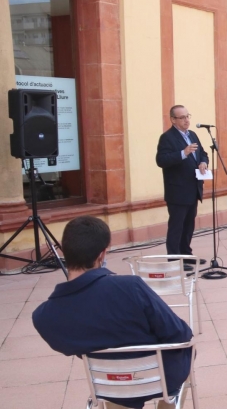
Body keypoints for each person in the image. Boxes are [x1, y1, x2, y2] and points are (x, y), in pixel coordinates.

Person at [32, 216, 193, 409]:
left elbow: (68, 347)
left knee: (113, 380)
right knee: (187, 352)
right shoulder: (130, 287)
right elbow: (180, 334)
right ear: (102, 254)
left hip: (108, 385)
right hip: (158, 380)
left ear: (64, 252)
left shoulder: (44, 317)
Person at [156, 105, 208, 263]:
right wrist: (183, 153)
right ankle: (174, 260)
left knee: (189, 226)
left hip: (193, 189)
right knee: (176, 227)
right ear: (173, 120)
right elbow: (161, 160)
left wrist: (203, 163)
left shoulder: (192, 135)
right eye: (182, 117)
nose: (187, 120)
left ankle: (186, 254)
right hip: (177, 191)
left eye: (188, 116)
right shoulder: (167, 138)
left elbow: (203, 153)